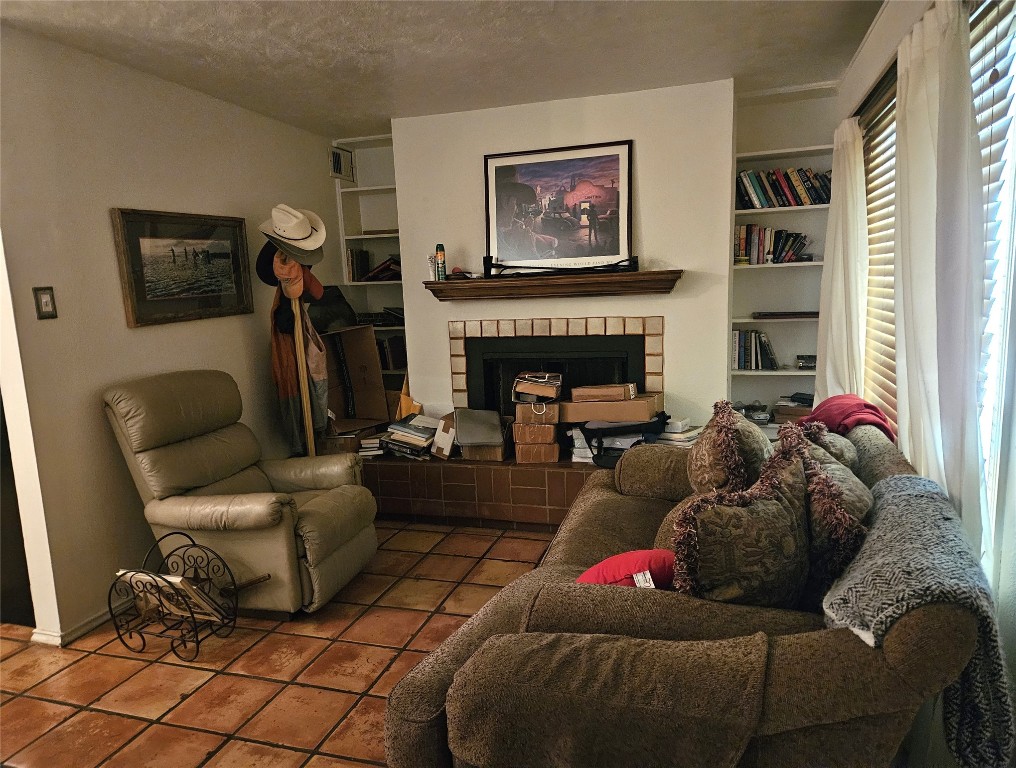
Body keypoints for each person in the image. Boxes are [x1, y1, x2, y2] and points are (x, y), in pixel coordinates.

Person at [494, 166, 558, 261]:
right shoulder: (497, 239)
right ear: (504, 201)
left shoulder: (497, 233)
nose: (516, 210)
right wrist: (530, 249)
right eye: (515, 203)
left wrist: (514, 239)